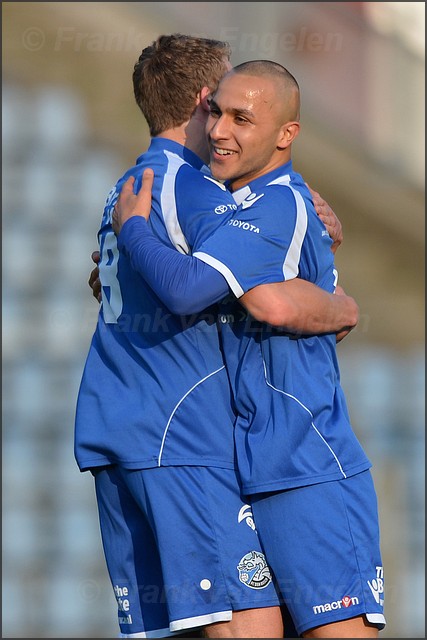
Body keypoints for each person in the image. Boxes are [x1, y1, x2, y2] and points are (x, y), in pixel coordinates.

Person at [111, 61, 386, 638]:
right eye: (215, 112)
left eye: (242, 118)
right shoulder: (236, 206)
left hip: (308, 463)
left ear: (286, 133)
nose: (218, 130)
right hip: (253, 463)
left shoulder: (277, 205)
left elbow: (265, 304)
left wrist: (132, 232)